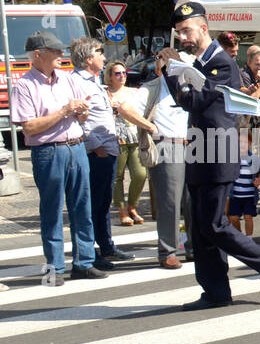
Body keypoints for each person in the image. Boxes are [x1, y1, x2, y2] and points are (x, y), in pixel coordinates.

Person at [162, 0, 260, 310]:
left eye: (187, 31)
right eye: (179, 32)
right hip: (200, 150)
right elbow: (188, 98)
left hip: (218, 151)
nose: (183, 38)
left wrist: (171, 71)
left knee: (215, 224)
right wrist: (173, 70)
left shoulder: (221, 63)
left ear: (204, 28)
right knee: (200, 227)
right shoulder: (199, 63)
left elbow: (192, 101)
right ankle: (215, 291)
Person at [9, 31, 98, 284]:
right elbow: (29, 128)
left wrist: (81, 112)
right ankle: (55, 268)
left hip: (76, 146)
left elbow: (80, 113)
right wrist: (65, 111)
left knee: (83, 207)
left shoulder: (67, 80)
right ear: (38, 55)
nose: (62, 54)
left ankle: (84, 262)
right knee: (52, 210)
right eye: (56, 50)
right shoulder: (24, 86)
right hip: (49, 151)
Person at [71, 37, 134, 270]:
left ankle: (106, 245)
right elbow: (82, 120)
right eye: (100, 53)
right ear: (88, 58)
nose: (104, 57)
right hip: (96, 152)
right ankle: (93, 252)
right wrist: (97, 146)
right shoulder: (78, 82)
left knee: (103, 202)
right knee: (92, 204)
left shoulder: (93, 80)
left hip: (107, 148)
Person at [139, 53, 192, 268]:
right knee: (170, 202)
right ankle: (167, 251)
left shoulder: (187, 86)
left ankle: (192, 247)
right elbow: (126, 108)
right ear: (160, 68)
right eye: (168, 65)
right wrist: (150, 127)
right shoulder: (151, 87)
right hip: (167, 145)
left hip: (192, 144)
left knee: (191, 201)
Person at [106, 59, 155, 226]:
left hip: (135, 136)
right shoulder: (106, 93)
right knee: (117, 176)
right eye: (117, 73)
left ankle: (132, 205)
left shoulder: (134, 92)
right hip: (116, 138)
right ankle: (122, 210)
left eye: (124, 73)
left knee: (140, 174)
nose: (122, 76)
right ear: (110, 76)